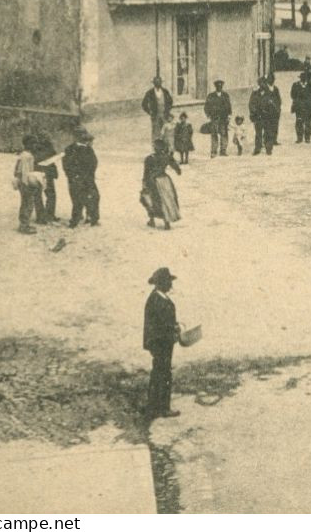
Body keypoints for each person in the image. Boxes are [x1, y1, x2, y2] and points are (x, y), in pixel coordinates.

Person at [143, 267, 183, 418]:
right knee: (162, 373)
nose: (170, 285)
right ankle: (161, 407)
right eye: (168, 282)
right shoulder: (156, 300)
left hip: (163, 341)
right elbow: (159, 324)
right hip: (160, 343)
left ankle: (154, 406)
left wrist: (174, 326)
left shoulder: (158, 297)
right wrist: (173, 329)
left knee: (161, 372)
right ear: (161, 283)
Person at [140, 138, 182, 230]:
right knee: (166, 200)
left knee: (150, 199)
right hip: (165, 180)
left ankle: (152, 220)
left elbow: (146, 173)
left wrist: (144, 183)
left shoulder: (149, 158)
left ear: (155, 148)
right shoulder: (166, 157)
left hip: (153, 181)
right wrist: (177, 169)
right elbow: (177, 169)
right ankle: (166, 222)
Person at [62, 126, 100, 227]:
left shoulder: (87, 149)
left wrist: (89, 174)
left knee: (92, 197)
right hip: (78, 178)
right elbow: (66, 165)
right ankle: (77, 220)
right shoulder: (70, 149)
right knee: (78, 199)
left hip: (85, 178)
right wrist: (72, 176)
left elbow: (94, 163)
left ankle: (91, 218)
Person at [12, 135, 45, 234]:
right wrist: (28, 184)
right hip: (25, 182)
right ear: (29, 144)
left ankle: (24, 224)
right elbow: (26, 172)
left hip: (22, 181)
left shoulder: (22, 154)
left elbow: (17, 170)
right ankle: (24, 225)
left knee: (25, 203)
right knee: (28, 204)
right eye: (34, 143)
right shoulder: (28, 156)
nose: (35, 145)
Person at [27, 130, 60, 222]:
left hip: (37, 172)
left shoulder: (33, 147)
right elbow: (53, 155)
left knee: (38, 195)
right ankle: (49, 215)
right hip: (46, 173)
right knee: (50, 194)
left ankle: (40, 216)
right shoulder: (48, 146)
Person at [249, 77, 281, 155]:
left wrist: (273, 112)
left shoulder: (270, 93)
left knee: (268, 132)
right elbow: (251, 104)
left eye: (264, 83)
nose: (262, 84)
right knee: (258, 133)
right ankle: (258, 148)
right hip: (258, 116)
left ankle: (268, 148)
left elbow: (276, 103)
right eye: (261, 83)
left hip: (268, 116)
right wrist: (254, 112)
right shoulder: (255, 93)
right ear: (259, 84)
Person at [142, 76, 174, 146]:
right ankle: (155, 148)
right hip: (155, 115)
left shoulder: (165, 91)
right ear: (154, 83)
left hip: (164, 115)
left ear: (161, 83)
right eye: (156, 83)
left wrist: (168, 110)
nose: (158, 84)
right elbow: (144, 104)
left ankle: (165, 147)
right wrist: (149, 112)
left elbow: (170, 101)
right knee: (156, 132)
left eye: (159, 82)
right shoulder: (150, 93)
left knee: (166, 131)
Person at [204, 79, 232, 156]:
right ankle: (213, 151)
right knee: (214, 134)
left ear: (222, 86)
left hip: (223, 118)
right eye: (218, 86)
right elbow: (207, 106)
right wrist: (208, 114)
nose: (219, 87)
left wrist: (229, 115)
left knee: (224, 133)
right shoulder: (211, 96)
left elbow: (229, 106)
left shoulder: (225, 95)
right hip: (214, 118)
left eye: (220, 86)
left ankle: (223, 150)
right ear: (215, 87)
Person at [291, 70, 311, 145]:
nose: (303, 79)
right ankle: (299, 138)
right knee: (299, 122)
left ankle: (307, 138)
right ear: (300, 78)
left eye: (304, 78)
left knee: (308, 122)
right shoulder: (295, 85)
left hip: (308, 107)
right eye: (302, 78)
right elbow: (292, 95)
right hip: (299, 107)